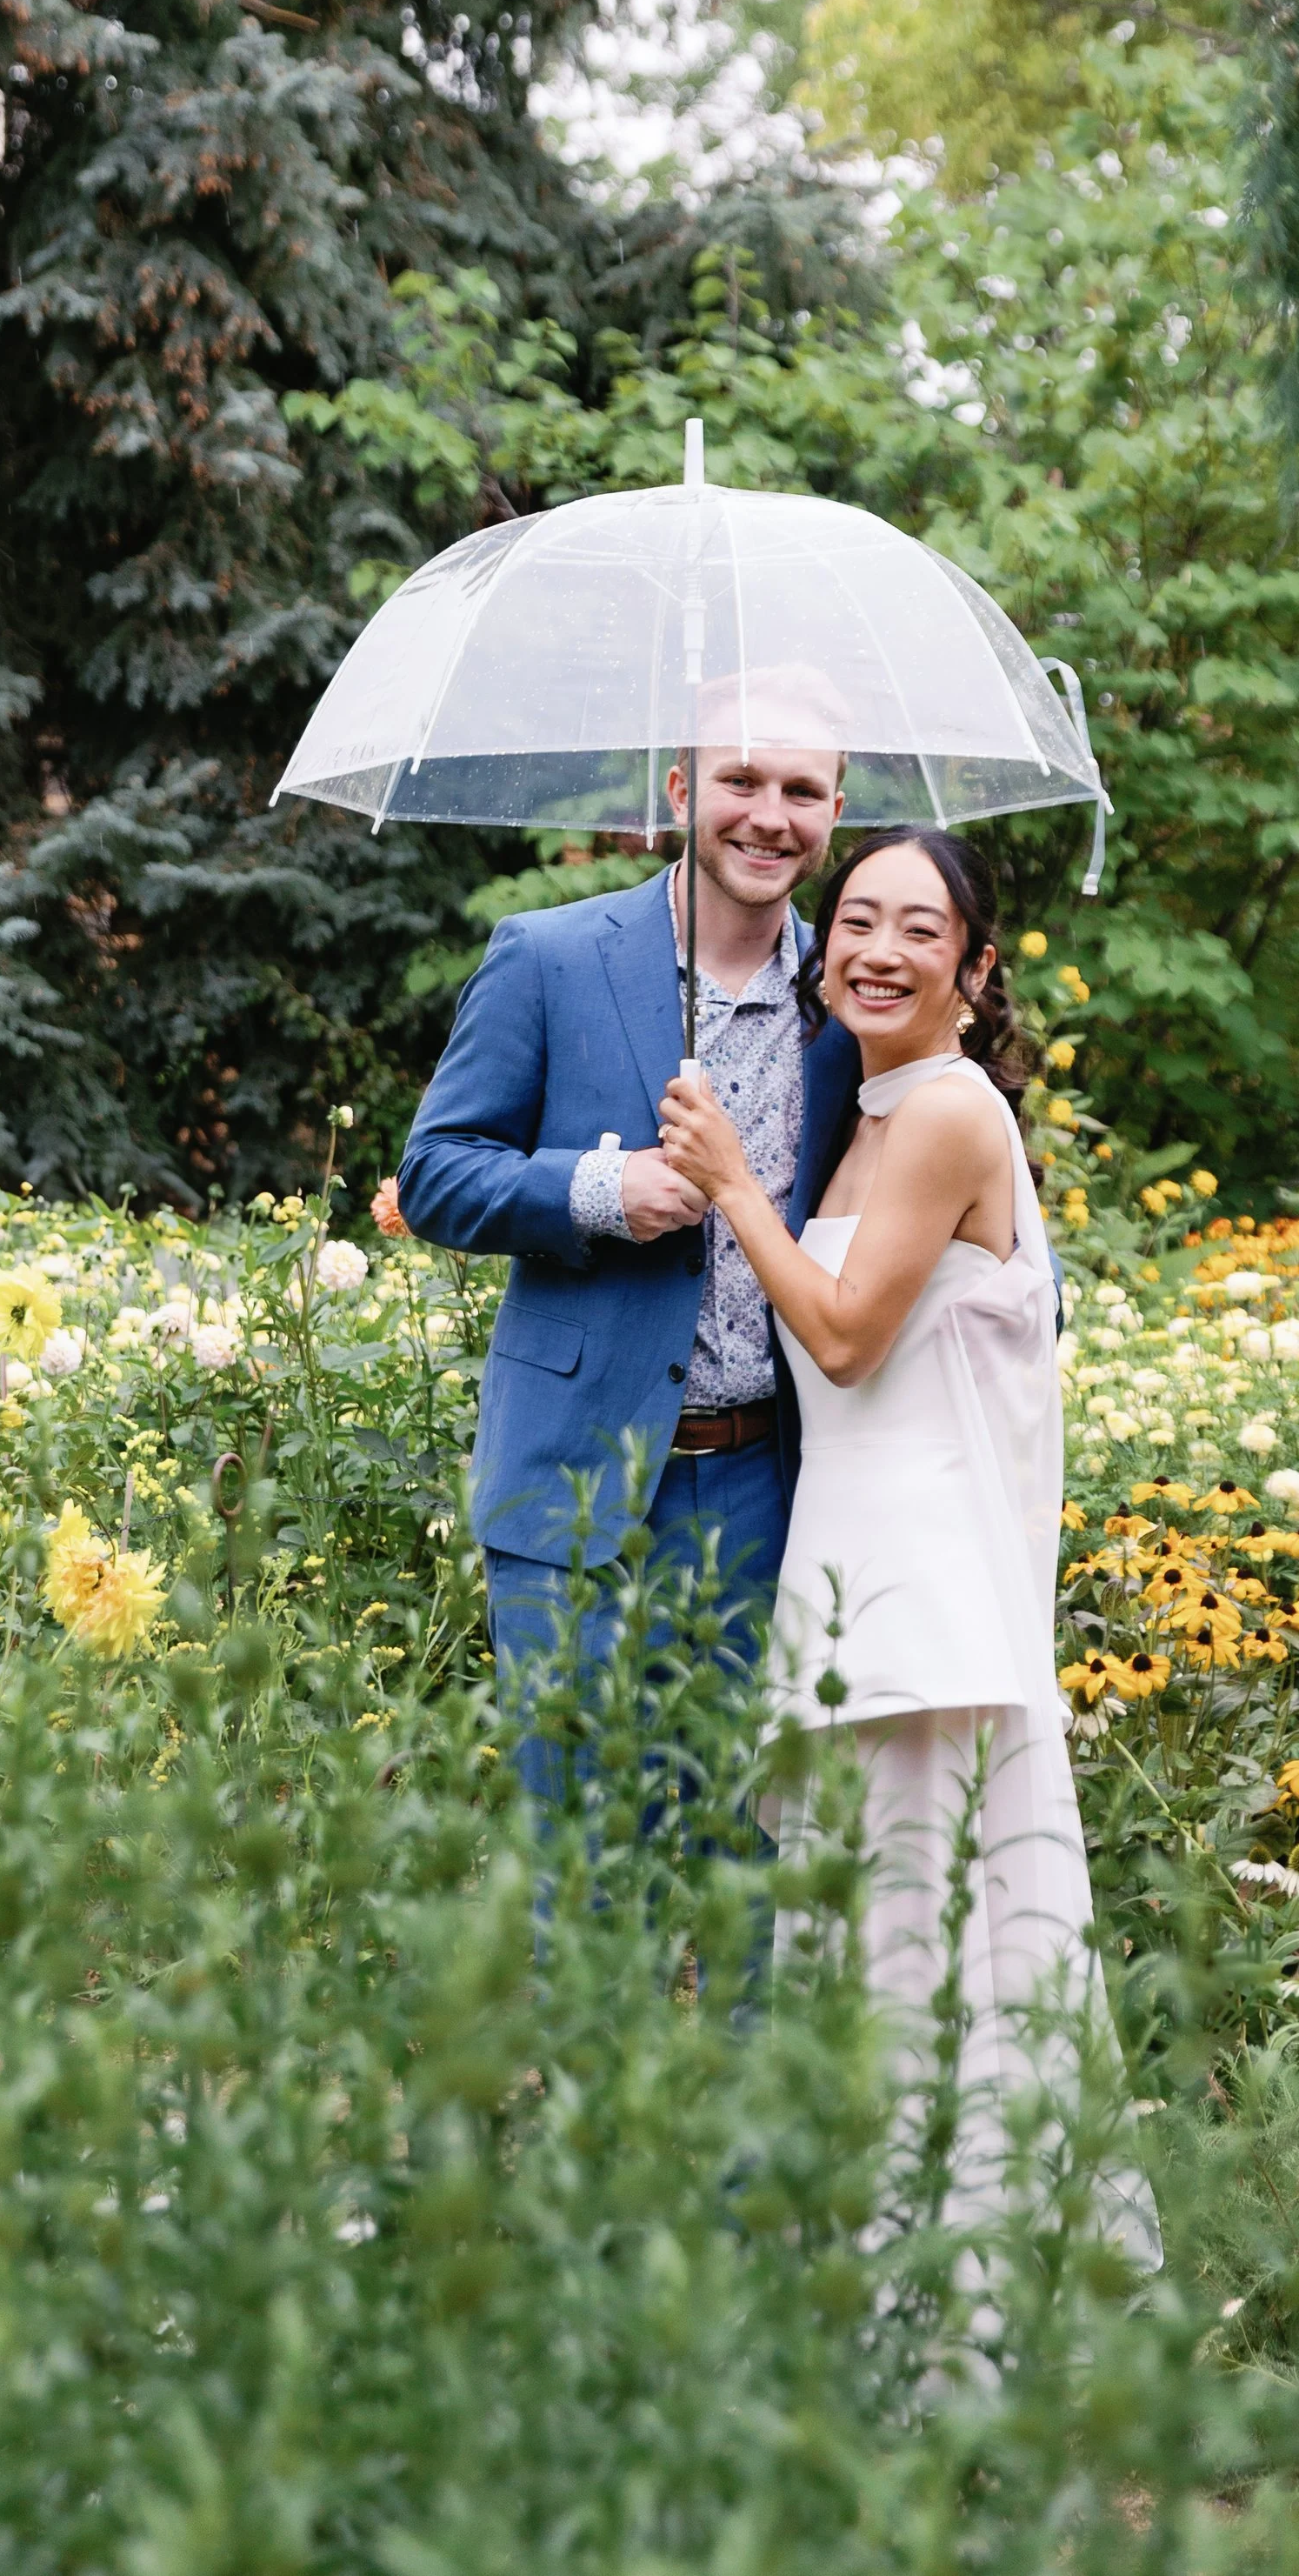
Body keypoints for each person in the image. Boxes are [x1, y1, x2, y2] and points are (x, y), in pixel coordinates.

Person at [658, 827, 1158, 2254]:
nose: (880, 947)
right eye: (857, 917)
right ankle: (873, 2259)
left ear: (977, 967)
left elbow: (847, 1333)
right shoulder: (870, 1104)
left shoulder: (944, 1115)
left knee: (941, 1946)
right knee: (878, 1940)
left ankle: (959, 2295)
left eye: (921, 929)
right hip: (850, 1557)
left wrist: (730, 1177)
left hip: (925, 1579)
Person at [396, 700, 863, 1802]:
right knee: (586, 1862)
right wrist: (602, 1191)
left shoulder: (845, 1004)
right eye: (742, 781)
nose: (769, 817)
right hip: (575, 1478)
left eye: (802, 792)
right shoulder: (550, 957)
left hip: (775, 1485)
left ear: (836, 812)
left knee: (751, 1866)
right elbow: (434, 1173)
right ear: (681, 792)